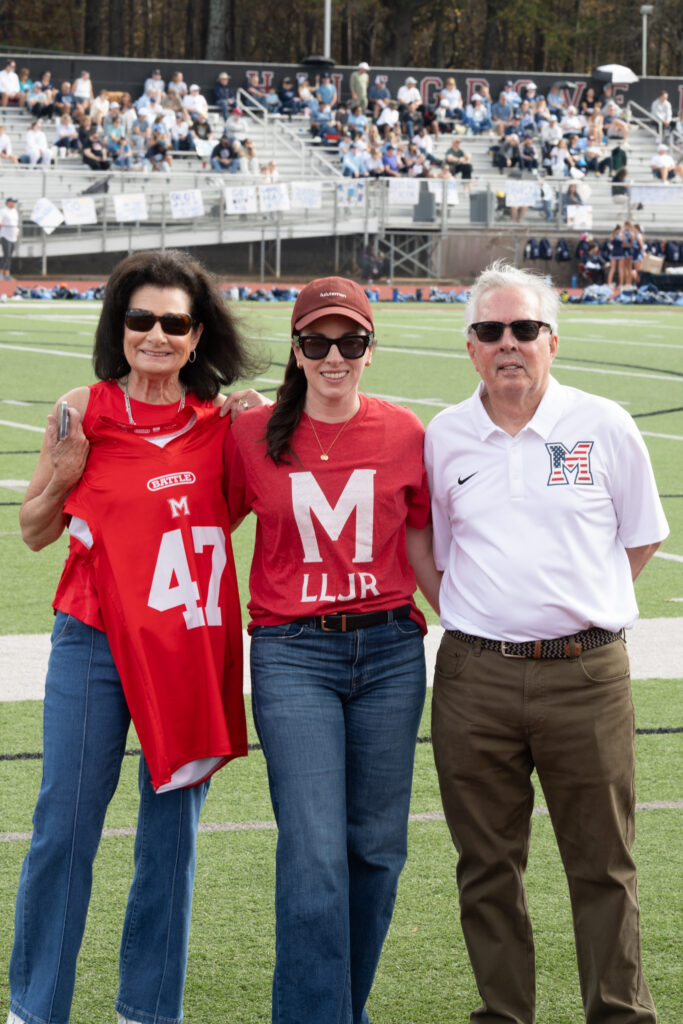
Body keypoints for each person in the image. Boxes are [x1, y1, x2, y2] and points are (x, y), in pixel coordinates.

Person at [6, 248, 261, 1024]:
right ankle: (35, 1009)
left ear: (196, 335)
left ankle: (148, 1012)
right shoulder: (80, 409)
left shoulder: (224, 425)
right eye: (140, 318)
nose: (155, 335)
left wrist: (257, 423)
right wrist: (64, 475)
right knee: (64, 828)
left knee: (170, 841)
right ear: (118, 326)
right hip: (92, 642)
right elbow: (34, 531)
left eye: (173, 323)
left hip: (184, 647)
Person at [425, 260, 668, 1024]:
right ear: (470, 346)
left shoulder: (603, 424)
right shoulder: (444, 436)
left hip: (585, 674)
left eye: (524, 328)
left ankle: (618, 1014)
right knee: (485, 868)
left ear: (550, 341)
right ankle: (504, 1015)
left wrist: (577, 612)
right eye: (490, 329)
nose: (508, 343)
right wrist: (481, 616)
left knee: (602, 865)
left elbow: (640, 538)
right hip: (475, 679)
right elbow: (436, 551)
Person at [224, 276, 440, 1024]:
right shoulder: (250, 434)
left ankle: (339, 1010)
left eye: (350, 341)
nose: (334, 356)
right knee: (314, 853)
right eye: (317, 342)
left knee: (376, 851)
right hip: (292, 654)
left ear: (370, 349)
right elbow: (197, 517)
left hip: (389, 652)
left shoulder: (405, 432)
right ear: (296, 350)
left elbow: (424, 546)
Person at [1, 196, 19, 280]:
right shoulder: (3, 211)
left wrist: (17, 231)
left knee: (10, 256)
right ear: (8, 202)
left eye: (15, 202)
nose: (14, 203)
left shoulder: (15, 211)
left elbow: (16, 223)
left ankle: (7, 274)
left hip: (13, 237)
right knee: (6, 255)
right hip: (5, 236)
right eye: (13, 202)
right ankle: (1, 273)